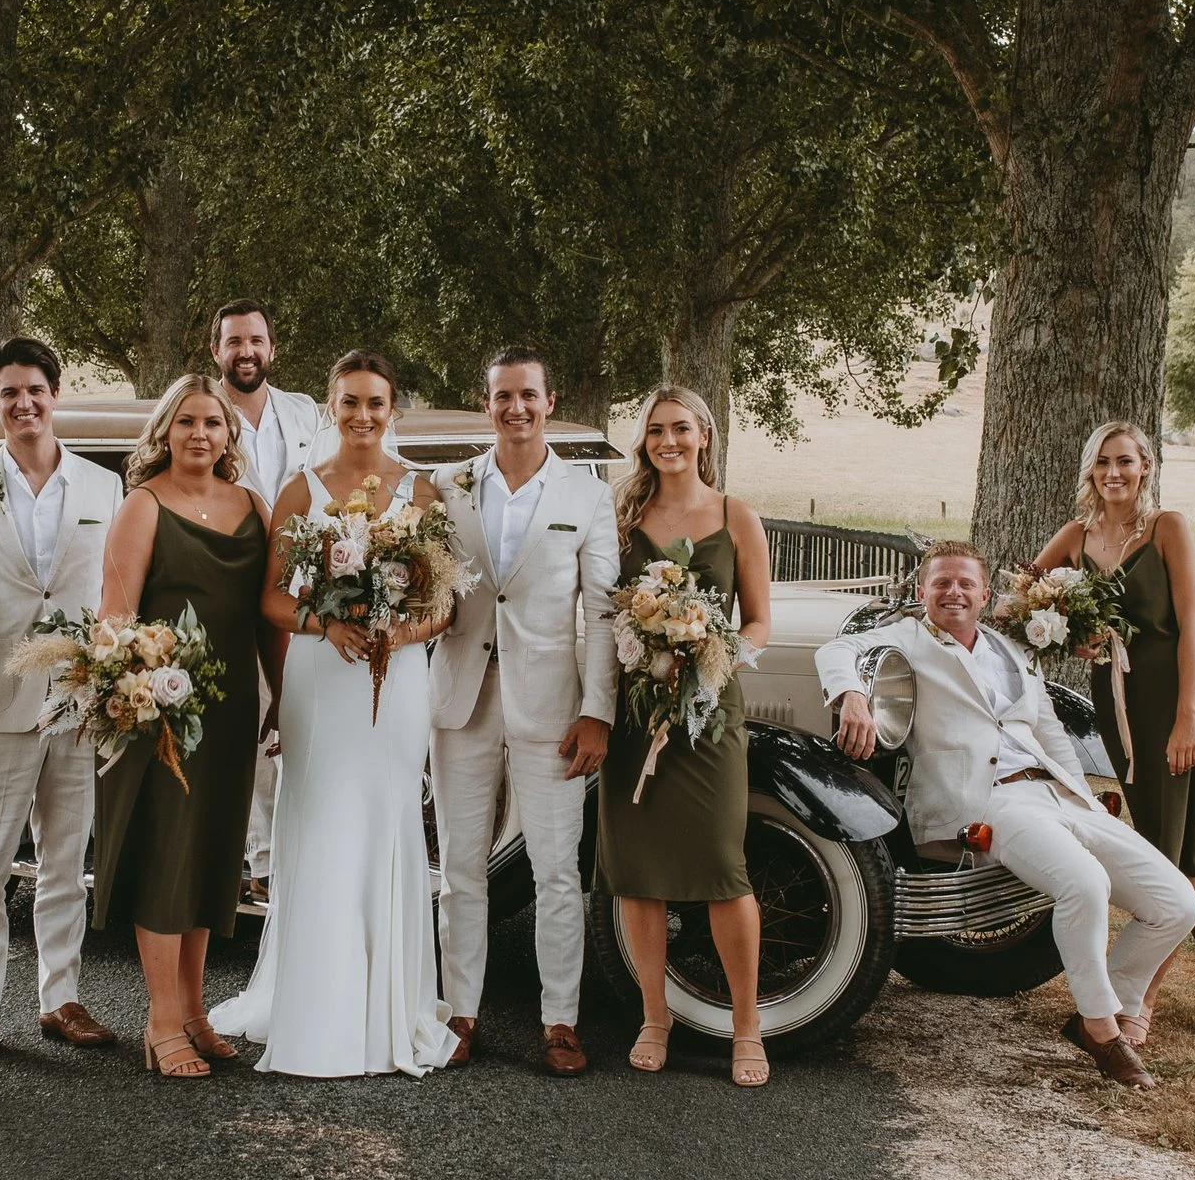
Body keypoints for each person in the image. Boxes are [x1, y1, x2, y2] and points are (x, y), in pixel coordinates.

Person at [817, 540, 1195, 1089]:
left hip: (1055, 791)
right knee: (1084, 884)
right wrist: (852, 693)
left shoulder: (1010, 650)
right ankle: (1101, 1030)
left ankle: (1109, 1003)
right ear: (923, 591)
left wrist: (1090, 806)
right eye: (941, 583)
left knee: (1175, 902)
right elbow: (835, 652)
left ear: (984, 594)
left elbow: (1047, 731)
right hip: (987, 799)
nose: (953, 592)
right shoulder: (906, 638)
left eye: (965, 584)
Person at [208, 349, 459, 1077]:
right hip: (324, 676)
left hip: (397, 679)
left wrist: (401, 631)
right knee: (321, 819)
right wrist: (332, 624)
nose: (362, 415)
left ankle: (389, 1004)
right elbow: (273, 599)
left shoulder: (421, 492)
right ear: (329, 407)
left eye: (376, 403)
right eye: (349, 402)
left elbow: (442, 602)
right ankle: (317, 1002)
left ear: (393, 411)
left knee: (386, 819)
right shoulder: (301, 490)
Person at [0, 337, 125, 1064]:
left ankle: (61, 997)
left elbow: (115, 595)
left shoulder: (105, 486)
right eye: (10, 392)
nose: (24, 403)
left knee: (68, 862)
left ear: (55, 392)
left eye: (35, 389)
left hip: (77, 705)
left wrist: (112, 686)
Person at [428, 347, 618, 1076]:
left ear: (549, 398)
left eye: (529, 395)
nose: (517, 407)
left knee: (556, 870)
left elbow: (601, 612)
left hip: (554, 708)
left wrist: (597, 709)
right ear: (486, 403)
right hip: (462, 697)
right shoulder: (449, 487)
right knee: (462, 868)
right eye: (503, 395)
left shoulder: (586, 495)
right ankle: (460, 1013)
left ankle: (560, 1021)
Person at [1032, 420, 1195, 1043]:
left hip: (1173, 700)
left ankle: (1141, 1001)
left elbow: (1193, 628)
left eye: (1125, 461)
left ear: (1146, 467)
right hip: (1115, 703)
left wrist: (1186, 717)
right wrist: (1075, 636)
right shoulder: (1077, 537)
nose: (1113, 474)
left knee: (1171, 857)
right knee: (1176, 856)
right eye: (1103, 463)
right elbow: (1022, 602)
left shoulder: (1167, 529)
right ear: (1090, 471)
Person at [92, 376, 282, 1076]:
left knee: (210, 859)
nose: (201, 434)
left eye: (213, 422)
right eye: (187, 422)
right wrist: (141, 696)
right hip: (163, 714)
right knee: (167, 859)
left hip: (231, 711)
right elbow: (115, 619)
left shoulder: (254, 507)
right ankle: (161, 1020)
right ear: (164, 432)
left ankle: (196, 1011)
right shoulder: (143, 506)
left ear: (231, 435)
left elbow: (267, 620)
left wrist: (282, 696)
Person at [595, 388, 775, 1087]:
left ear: (704, 434)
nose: (668, 440)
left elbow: (758, 618)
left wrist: (713, 647)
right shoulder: (623, 518)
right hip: (638, 709)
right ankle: (654, 1015)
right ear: (643, 441)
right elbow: (604, 607)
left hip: (710, 711)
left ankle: (746, 1025)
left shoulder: (737, 517)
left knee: (723, 869)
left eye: (681, 428)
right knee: (638, 870)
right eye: (655, 430)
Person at [210, 299, 322, 903]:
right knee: (249, 723)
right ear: (216, 351)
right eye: (234, 342)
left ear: (271, 349)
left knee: (304, 715)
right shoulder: (200, 411)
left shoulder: (307, 411)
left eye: (256, 340)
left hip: (307, 592)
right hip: (231, 584)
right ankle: (259, 861)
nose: (245, 351)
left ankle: (302, 851)